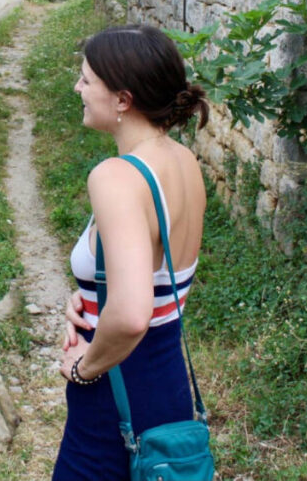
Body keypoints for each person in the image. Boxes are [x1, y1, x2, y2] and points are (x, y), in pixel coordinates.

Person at [52, 24, 210, 481]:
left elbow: (132, 314)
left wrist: (84, 369)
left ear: (122, 99)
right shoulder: (183, 161)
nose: (77, 88)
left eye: (86, 79)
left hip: (116, 390)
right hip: (167, 383)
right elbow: (157, 285)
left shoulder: (117, 177)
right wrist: (90, 297)